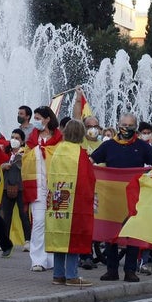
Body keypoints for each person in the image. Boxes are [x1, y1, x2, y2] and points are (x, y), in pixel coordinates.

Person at [92, 113, 152, 282]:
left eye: (130, 126)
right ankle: (112, 270)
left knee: (133, 234)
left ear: (135, 127)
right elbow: (92, 159)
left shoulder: (142, 146)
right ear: (118, 125)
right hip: (111, 199)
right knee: (111, 234)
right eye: (123, 125)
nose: (126, 128)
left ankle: (130, 270)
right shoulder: (109, 145)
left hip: (133, 198)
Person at [45, 120, 96, 287]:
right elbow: (88, 179)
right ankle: (71, 275)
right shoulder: (80, 154)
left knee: (59, 236)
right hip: (75, 203)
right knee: (74, 237)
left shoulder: (58, 150)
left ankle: (57, 275)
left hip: (58, 201)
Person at [24, 106, 63, 272]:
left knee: (53, 223)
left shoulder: (59, 139)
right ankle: (37, 260)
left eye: (39, 118)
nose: (36, 121)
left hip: (55, 187)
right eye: (35, 118)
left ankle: (52, 258)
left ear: (47, 119)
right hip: (37, 186)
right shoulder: (32, 139)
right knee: (39, 222)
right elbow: (26, 159)